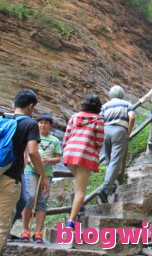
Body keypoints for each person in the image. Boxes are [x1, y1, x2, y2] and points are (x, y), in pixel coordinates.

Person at [0, 89, 49, 256]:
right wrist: (44, 175)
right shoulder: (30, 124)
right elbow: (33, 152)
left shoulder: (1, 119)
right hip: (9, 178)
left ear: (14, 103)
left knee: (19, 203)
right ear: (31, 106)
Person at [63, 94, 104, 228]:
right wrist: (94, 151)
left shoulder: (74, 117)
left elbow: (66, 136)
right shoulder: (98, 119)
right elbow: (99, 141)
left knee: (77, 184)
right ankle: (71, 221)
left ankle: (77, 206)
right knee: (80, 190)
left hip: (69, 154)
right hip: (84, 155)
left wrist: (66, 150)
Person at [21, 113, 62, 243]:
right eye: (40, 122)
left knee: (42, 201)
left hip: (47, 173)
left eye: (46, 123)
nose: (42, 125)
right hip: (31, 171)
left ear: (50, 125)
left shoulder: (55, 140)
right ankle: (25, 230)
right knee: (30, 197)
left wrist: (48, 160)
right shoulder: (31, 137)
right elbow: (25, 155)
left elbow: (58, 158)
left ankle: (38, 232)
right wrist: (30, 162)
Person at [97, 86, 135, 203]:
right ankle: (104, 188)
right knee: (115, 161)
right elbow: (132, 117)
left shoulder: (105, 106)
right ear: (122, 94)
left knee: (109, 161)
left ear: (111, 95)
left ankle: (111, 186)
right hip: (119, 131)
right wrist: (128, 132)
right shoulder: (126, 104)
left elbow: (99, 120)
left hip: (106, 131)